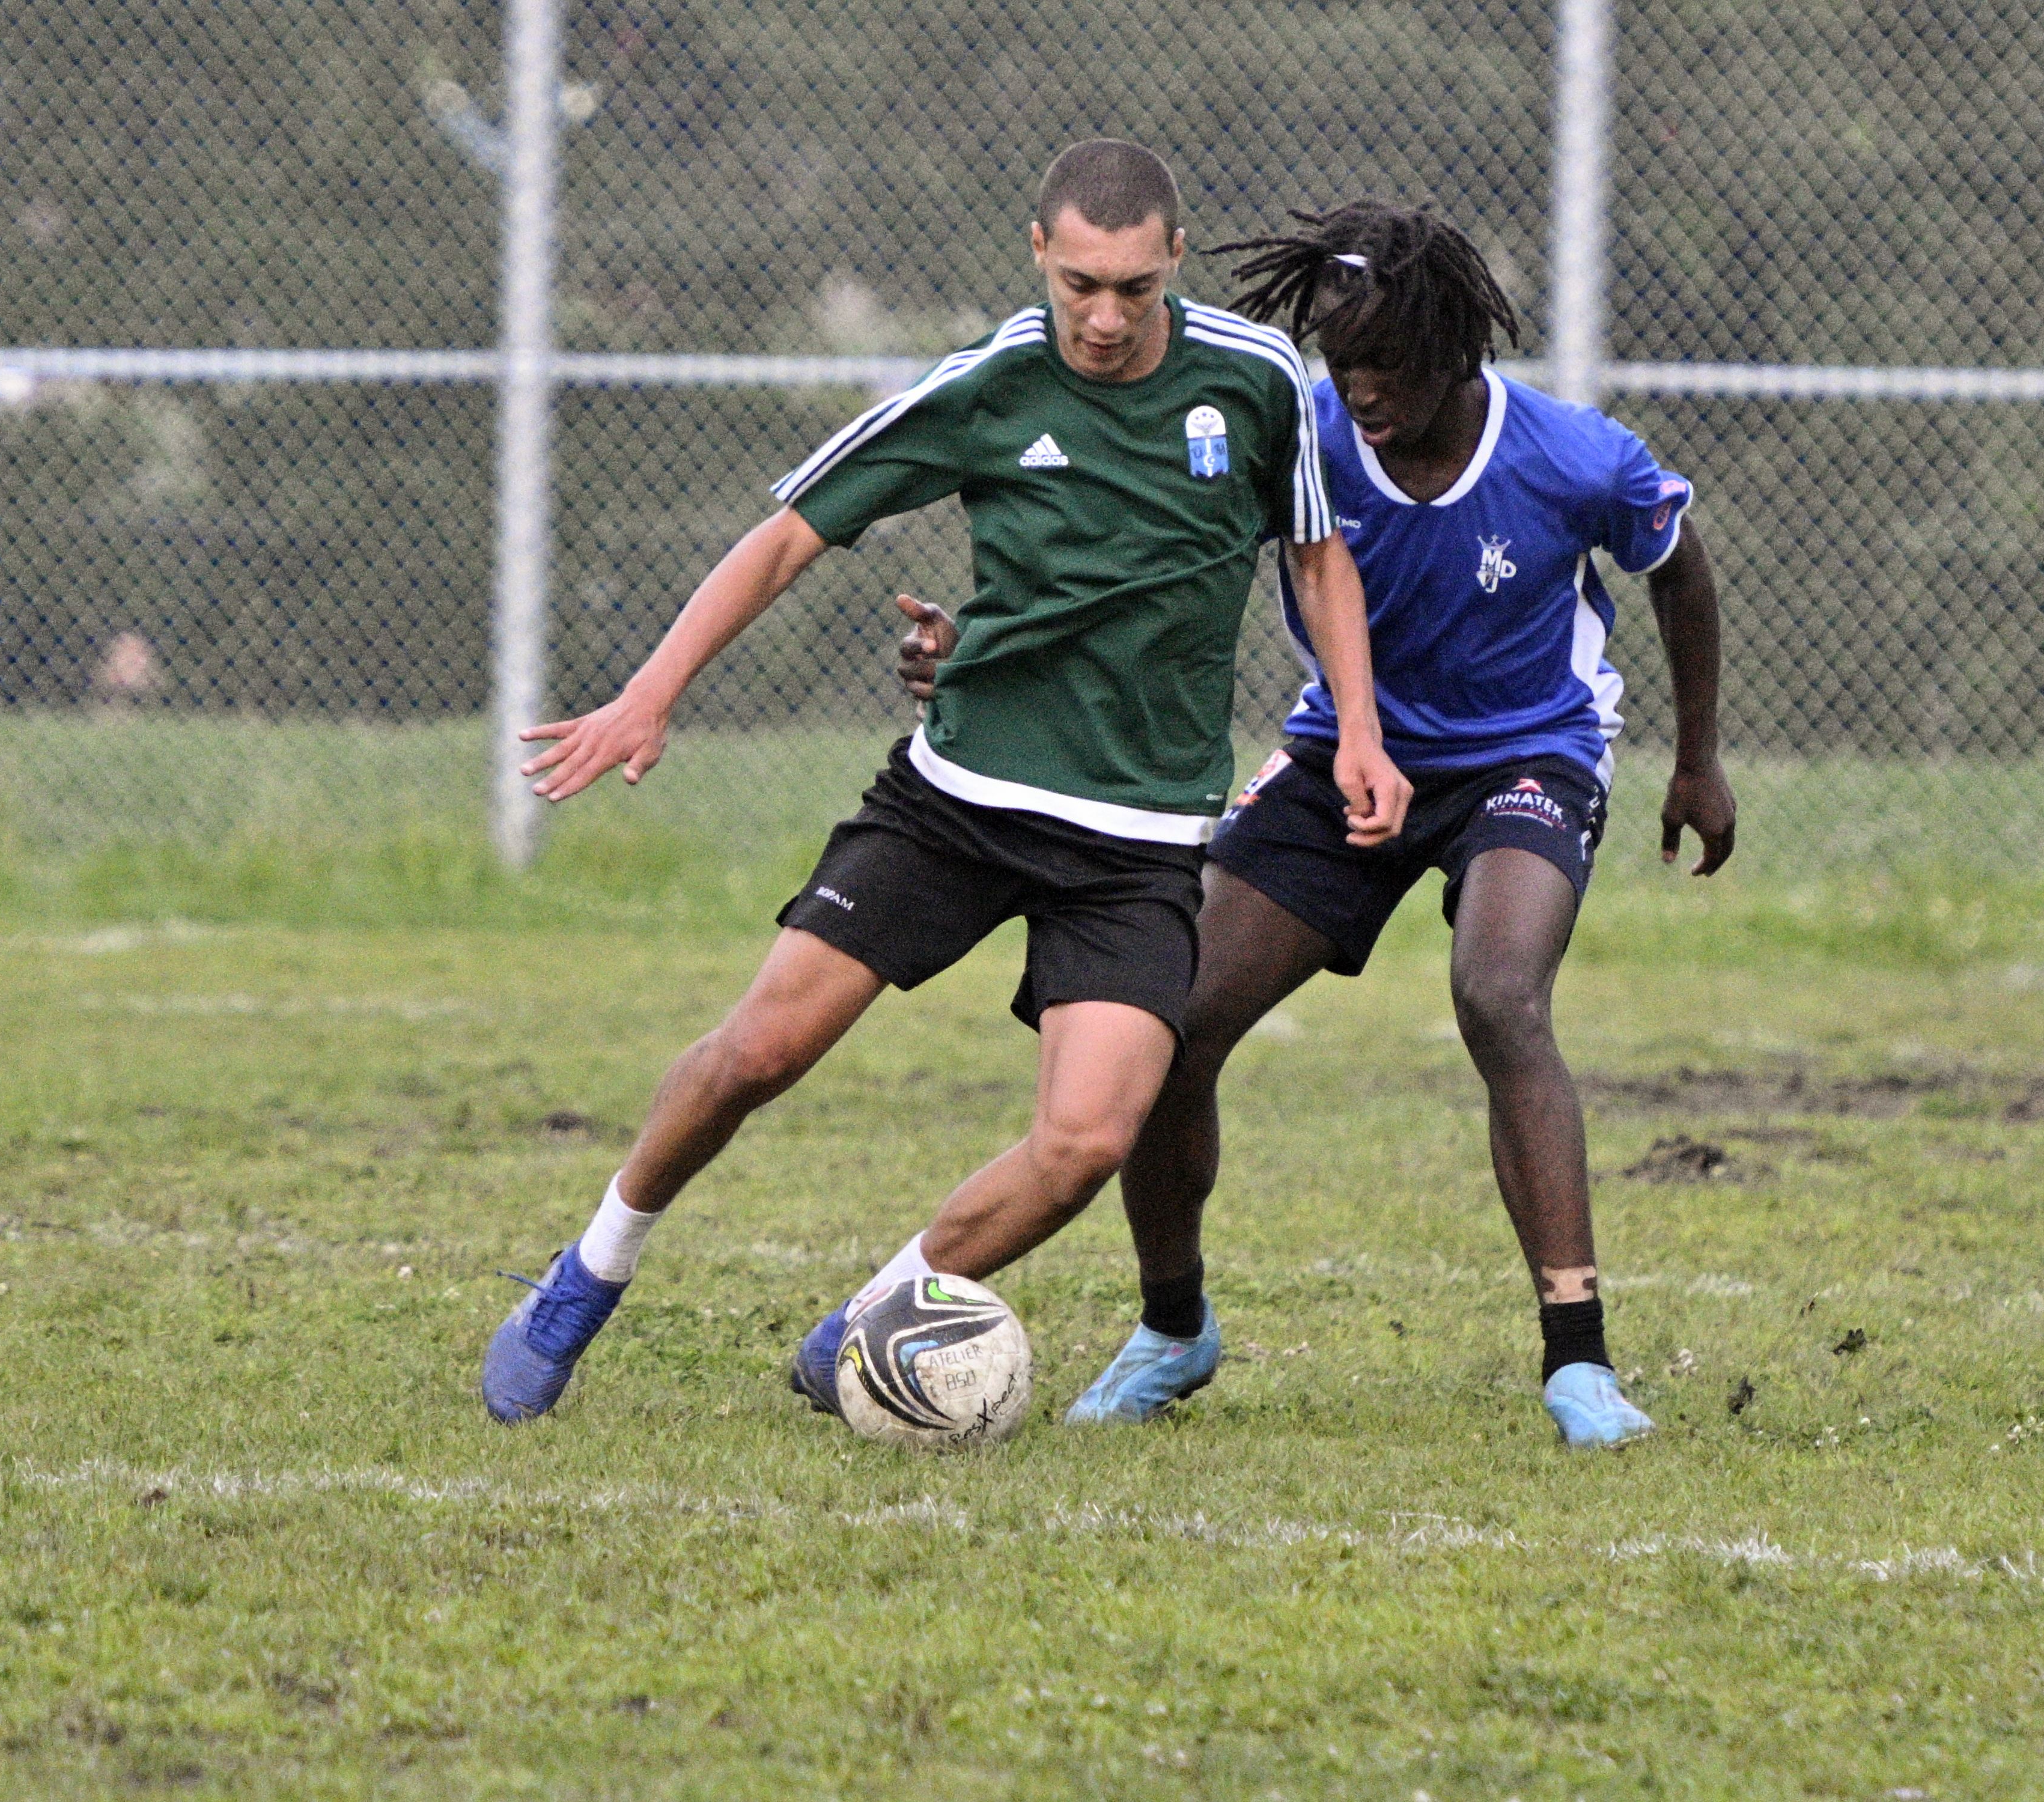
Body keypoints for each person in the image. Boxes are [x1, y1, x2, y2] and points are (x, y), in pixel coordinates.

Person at [480, 143, 1410, 1425]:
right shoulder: (988, 383)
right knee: (759, 1051)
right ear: (1038, 253)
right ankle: (587, 1274)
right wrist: (653, 691)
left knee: (1088, 1143)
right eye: (1080, 281)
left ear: (1176, 266)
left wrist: (1357, 727)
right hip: (959, 802)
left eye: (1134, 289)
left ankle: (872, 1323)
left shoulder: (1254, 384)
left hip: (1138, 843)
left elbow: (1318, 561)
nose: (1103, 315)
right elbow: (791, 536)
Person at [893, 200, 1736, 1446]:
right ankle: (1174, 1330)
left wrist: (1700, 762)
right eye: (1342, 367)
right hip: (1342, 758)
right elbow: (1139, 557)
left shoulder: (1571, 456)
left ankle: (1579, 1366)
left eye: (1385, 367)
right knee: (1171, 1025)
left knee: (1500, 994)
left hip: (1527, 758)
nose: (1361, 392)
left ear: (1457, 352)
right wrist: (985, 650)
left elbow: (1680, 566)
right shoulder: (1306, 442)